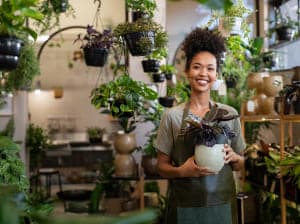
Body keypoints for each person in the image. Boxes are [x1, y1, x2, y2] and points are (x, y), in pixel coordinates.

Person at [154, 28, 246, 224]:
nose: (203, 73)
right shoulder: (172, 116)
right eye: (197, 67)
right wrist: (182, 171)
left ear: (216, 74)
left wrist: (234, 157)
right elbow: (161, 167)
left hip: (222, 207)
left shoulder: (229, 114)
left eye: (210, 68)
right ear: (187, 72)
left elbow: (240, 165)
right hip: (185, 208)